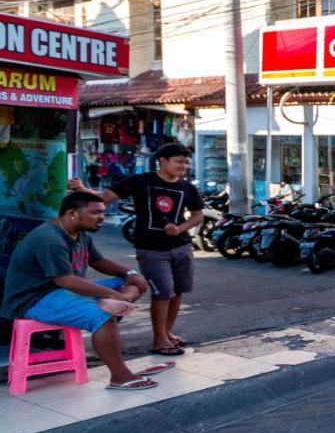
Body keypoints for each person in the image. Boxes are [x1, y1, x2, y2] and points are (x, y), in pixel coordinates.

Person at [1, 192, 174, 390]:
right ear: (73, 213)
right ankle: (120, 376)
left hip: (63, 291)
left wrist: (130, 272)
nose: (101, 217)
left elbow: (99, 262)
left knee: (135, 284)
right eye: (95, 212)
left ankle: (106, 304)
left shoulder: (79, 234)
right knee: (102, 317)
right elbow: (65, 280)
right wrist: (112, 295)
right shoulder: (49, 238)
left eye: (102, 212)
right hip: (34, 298)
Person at [69, 143, 204, 357]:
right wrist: (83, 189)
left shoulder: (188, 188)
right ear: (164, 161)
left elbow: (198, 215)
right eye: (179, 161)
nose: (184, 166)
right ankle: (159, 340)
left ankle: (167, 333)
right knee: (163, 291)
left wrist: (180, 228)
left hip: (181, 247)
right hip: (151, 249)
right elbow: (105, 197)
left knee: (178, 291)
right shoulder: (140, 181)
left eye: (186, 162)